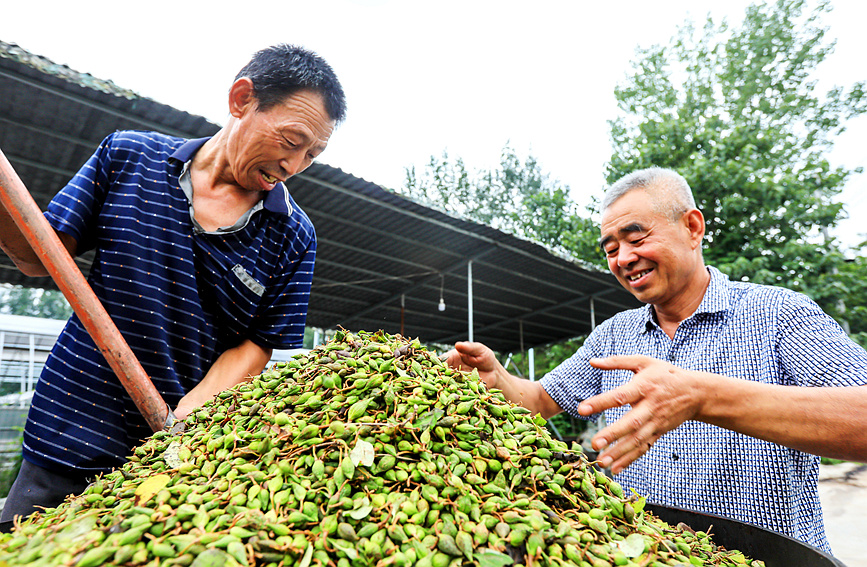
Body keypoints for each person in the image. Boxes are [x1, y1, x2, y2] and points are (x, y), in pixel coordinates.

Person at [0, 44, 346, 527]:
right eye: (292, 140)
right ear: (242, 99)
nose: (296, 164)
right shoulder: (127, 157)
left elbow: (256, 346)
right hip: (64, 435)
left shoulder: (292, 233)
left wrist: (185, 422)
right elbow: (39, 257)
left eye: (313, 153)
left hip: (164, 467)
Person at [447, 166, 867, 553]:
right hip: (649, 556)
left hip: (768, 558)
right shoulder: (613, 334)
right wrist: (496, 378)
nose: (623, 258)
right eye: (610, 248)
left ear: (692, 227)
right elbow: (539, 399)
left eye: (636, 238)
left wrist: (701, 396)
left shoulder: (776, 314)